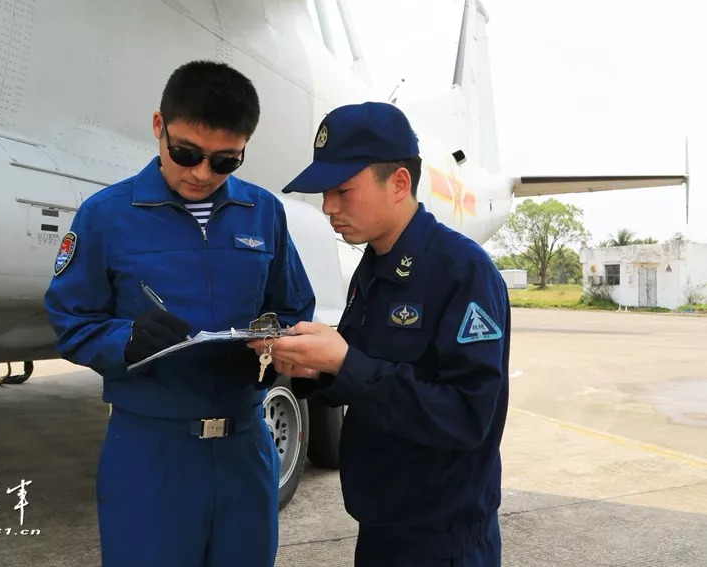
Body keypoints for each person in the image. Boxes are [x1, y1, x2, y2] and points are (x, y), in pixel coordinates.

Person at [44, 60, 315, 567]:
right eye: (186, 153)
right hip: (150, 452)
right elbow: (72, 321)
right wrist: (127, 340)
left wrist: (273, 345)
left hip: (245, 447)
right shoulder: (105, 215)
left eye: (225, 161)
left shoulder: (264, 213)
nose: (201, 173)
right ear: (158, 127)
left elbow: (293, 307)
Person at [250, 101, 510, 566]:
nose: (328, 207)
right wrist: (315, 369)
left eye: (343, 190)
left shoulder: (462, 271)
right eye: (325, 193)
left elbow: (467, 417)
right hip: (381, 524)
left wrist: (345, 362)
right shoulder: (372, 268)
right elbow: (368, 371)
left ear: (399, 183)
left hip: (442, 541)